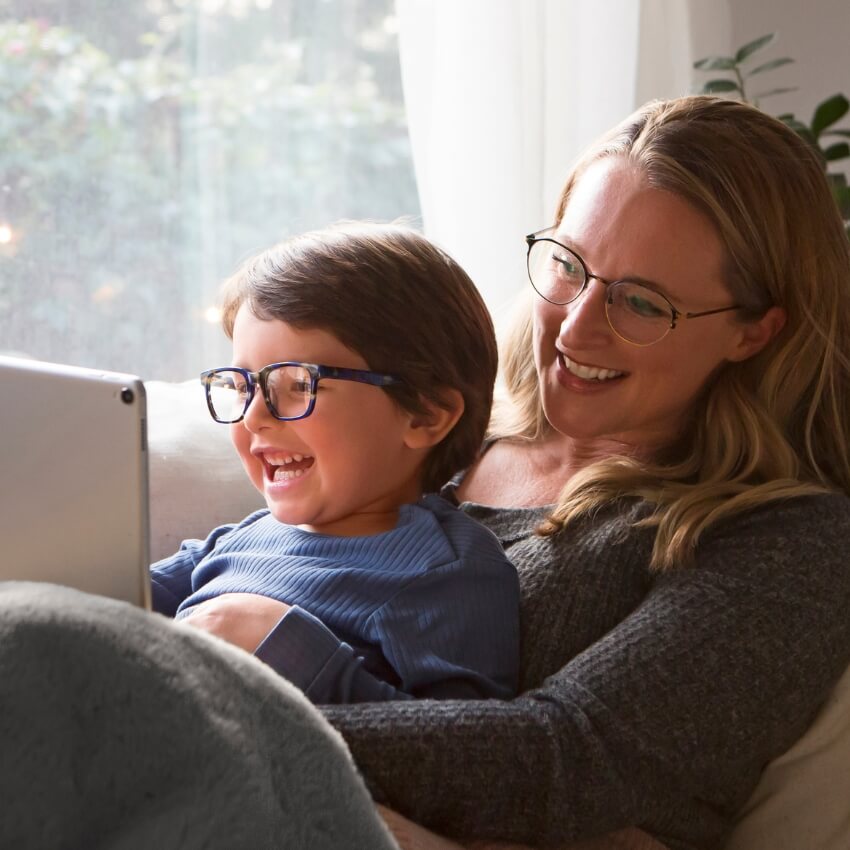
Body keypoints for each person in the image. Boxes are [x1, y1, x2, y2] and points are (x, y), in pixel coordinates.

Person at [2, 94, 850, 850]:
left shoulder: (783, 537)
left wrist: (204, 703)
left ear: (755, 330)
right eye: (566, 266)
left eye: (640, 303)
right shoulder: (429, 446)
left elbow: (565, 761)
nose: (574, 330)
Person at [150, 222, 519, 703]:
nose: (256, 416)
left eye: (299, 384)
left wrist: (287, 646)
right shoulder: (242, 537)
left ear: (425, 414)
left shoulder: (448, 571)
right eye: (242, 387)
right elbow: (110, 599)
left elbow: (465, 750)